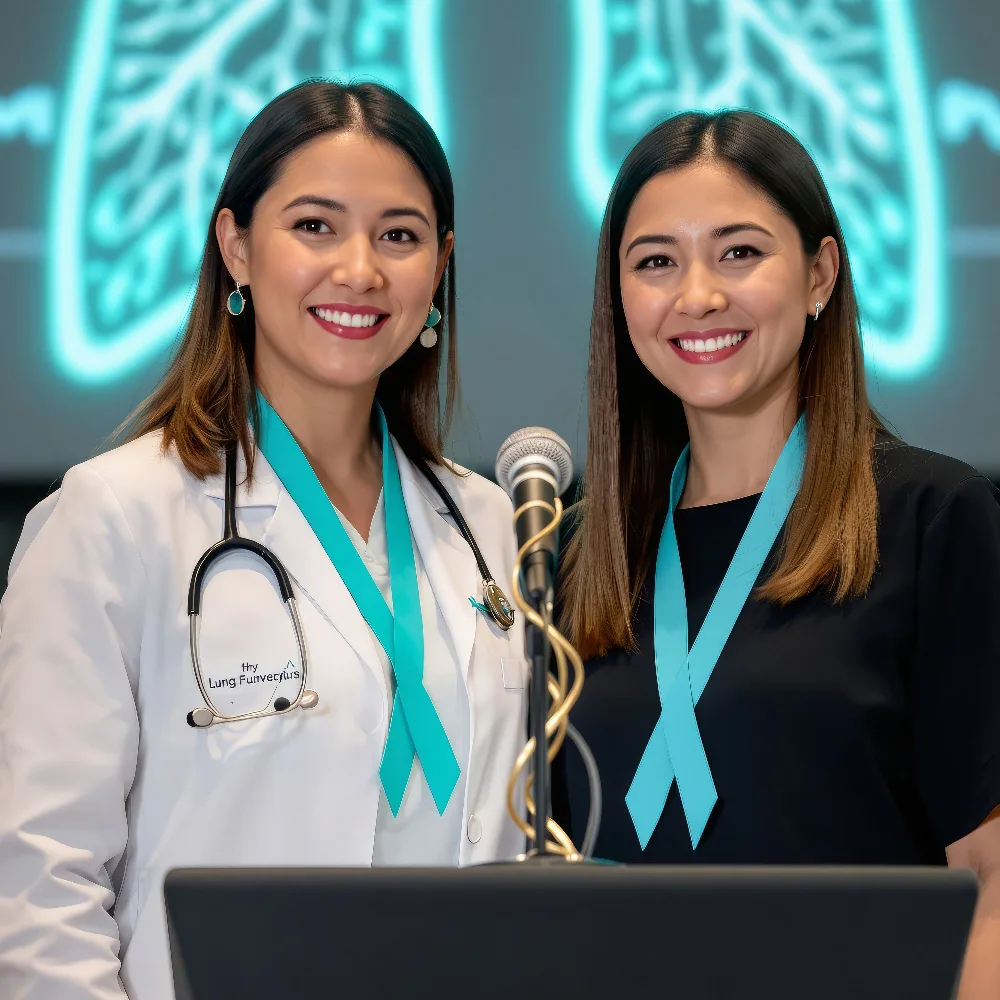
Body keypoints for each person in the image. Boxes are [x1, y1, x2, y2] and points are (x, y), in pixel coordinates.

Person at [0, 81, 528, 1000]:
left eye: (399, 236)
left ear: (439, 266)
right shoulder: (117, 515)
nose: (359, 270)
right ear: (236, 246)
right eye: (315, 226)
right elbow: (41, 883)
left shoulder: (488, 524)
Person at [555, 110, 1000, 998]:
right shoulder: (576, 554)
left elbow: (989, 879)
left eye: (739, 253)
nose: (697, 296)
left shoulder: (932, 519)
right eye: (655, 262)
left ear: (819, 275)